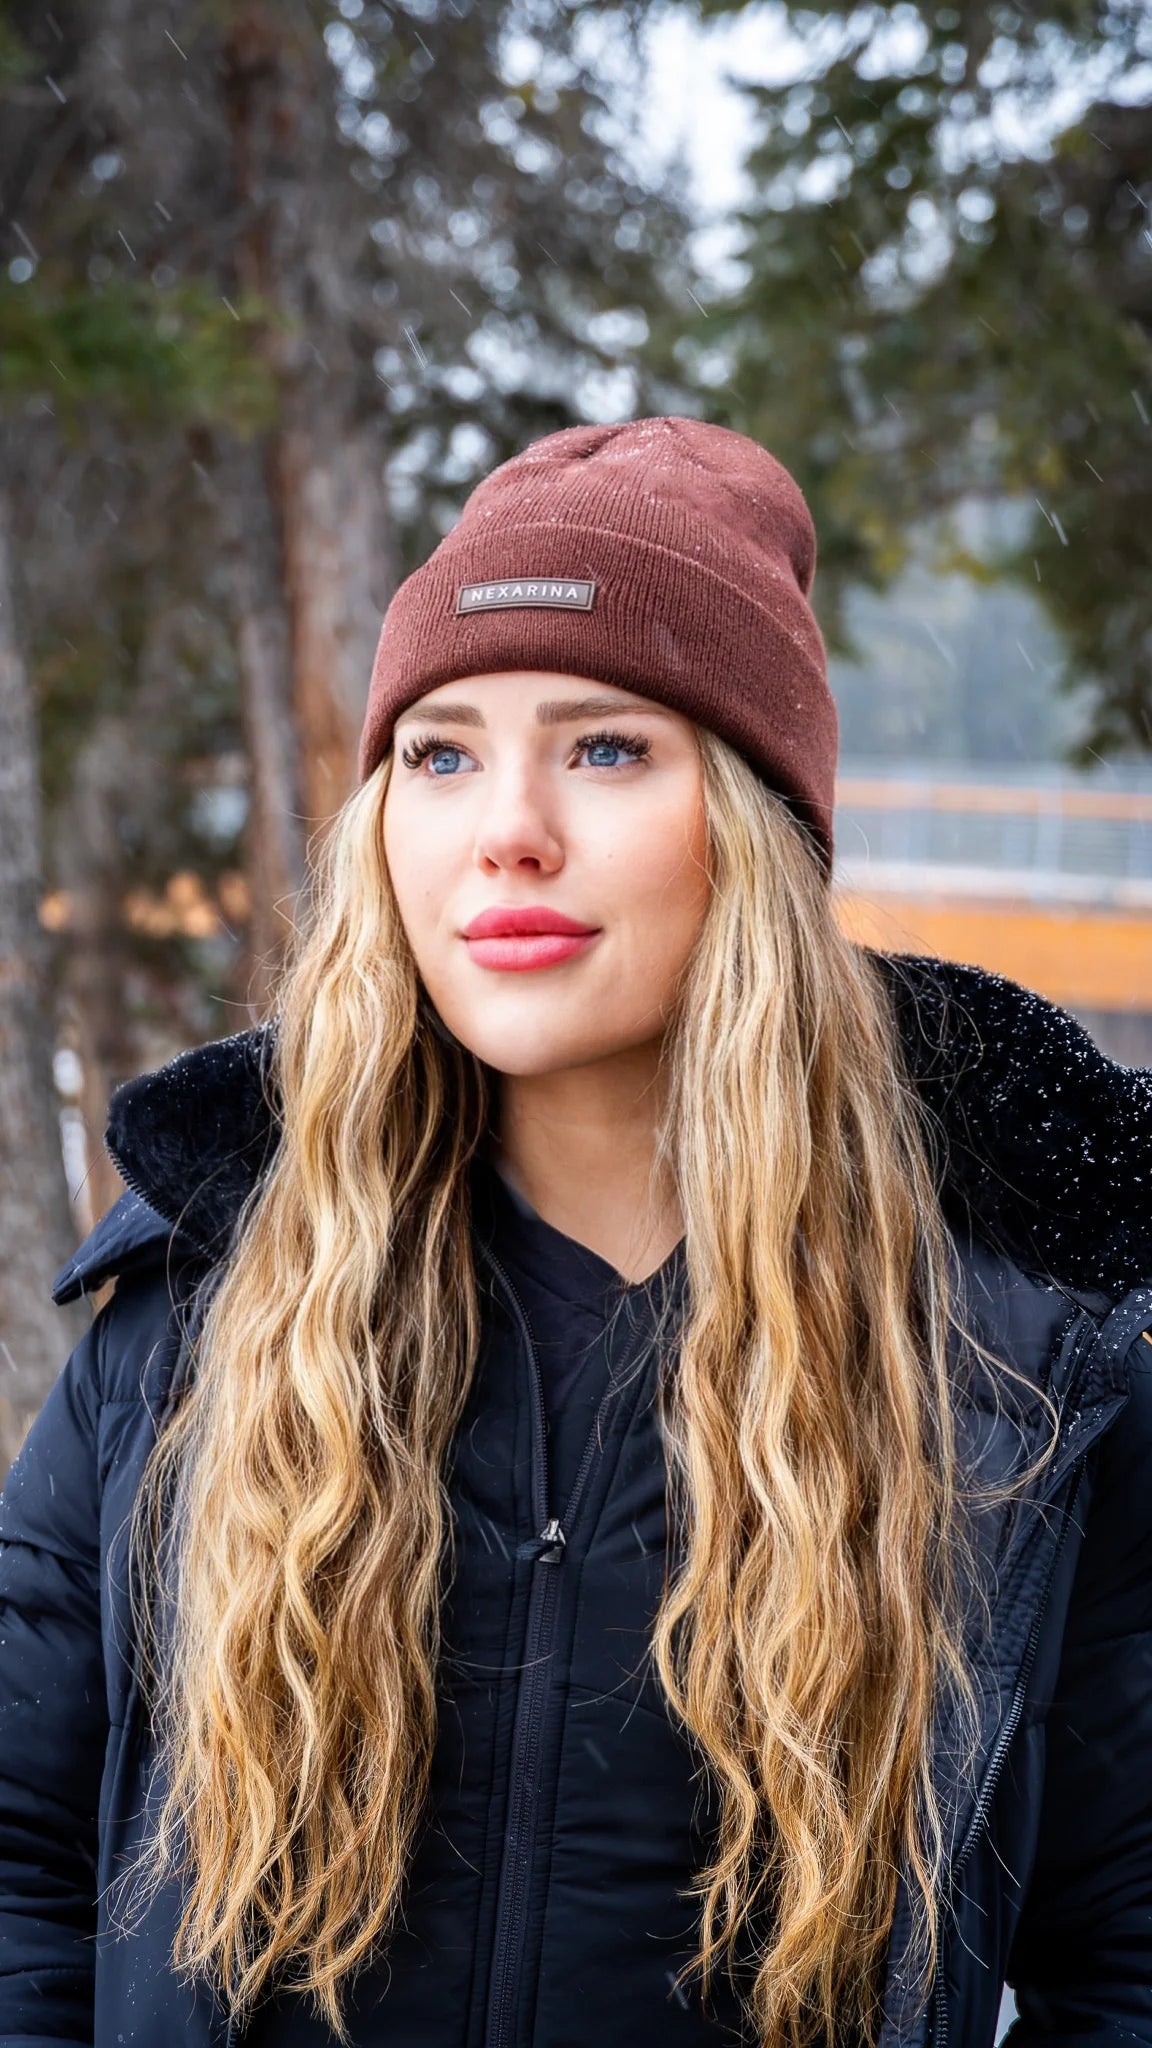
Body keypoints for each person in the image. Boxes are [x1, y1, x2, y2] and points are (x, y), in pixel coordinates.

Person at [2, 416, 1151, 2048]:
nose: (507, 830)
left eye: (607, 748)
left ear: (753, 833)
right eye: (443, 752)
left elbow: (1126, 1955)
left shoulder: (1005, 1370)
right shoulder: (194, 1323)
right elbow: (23, 1879)